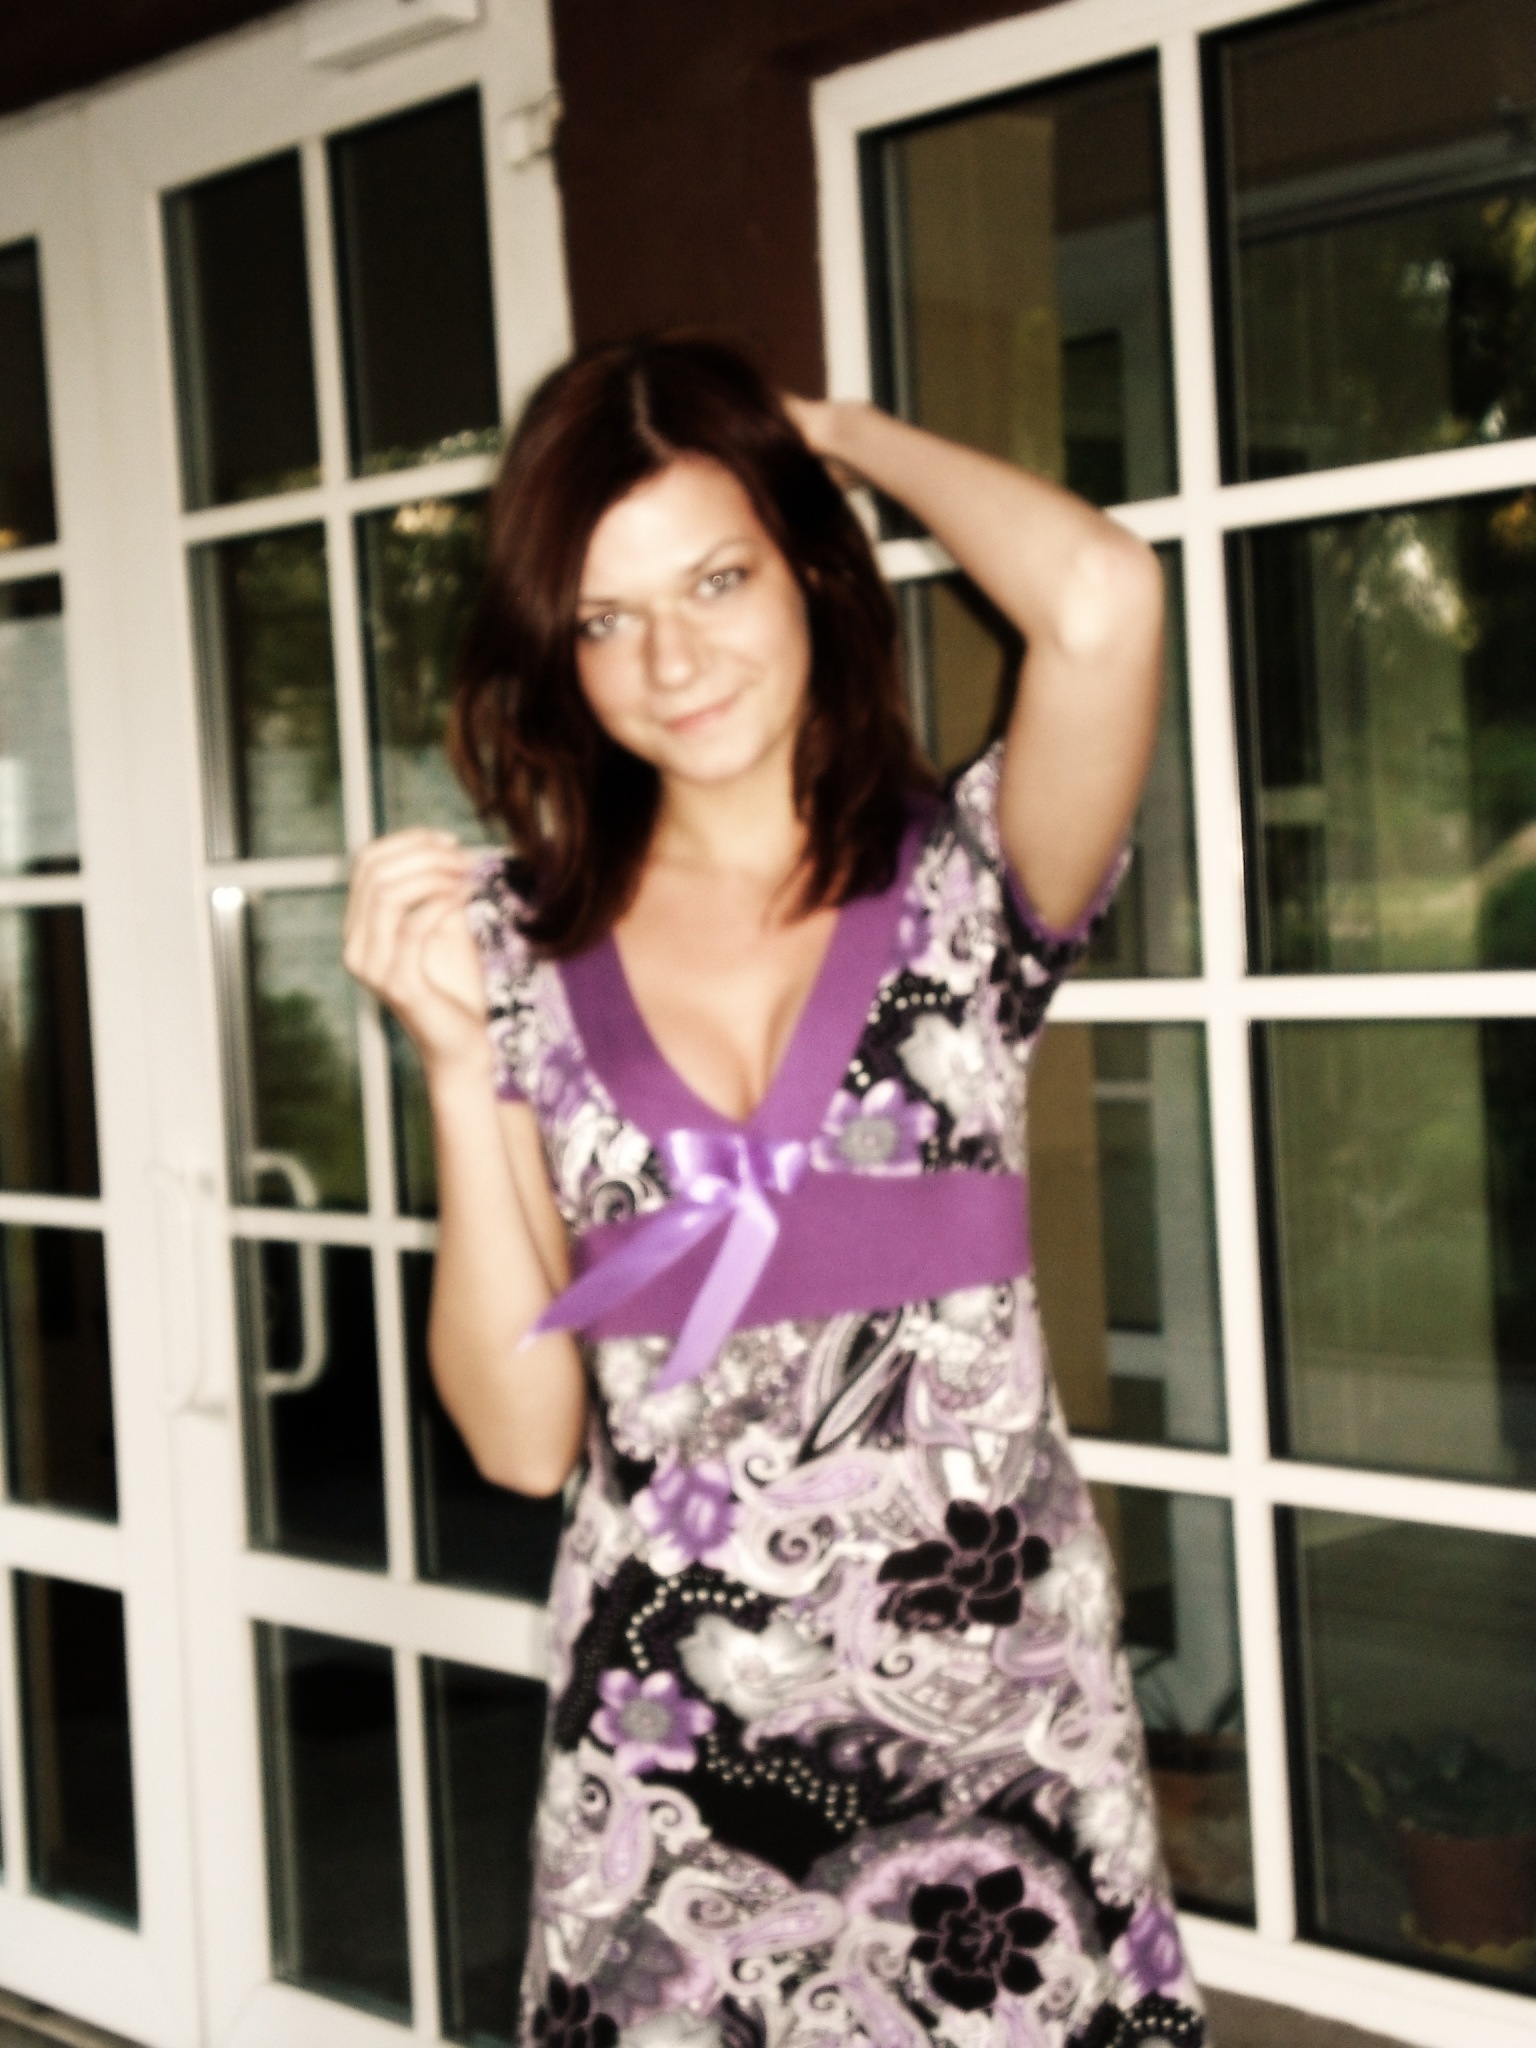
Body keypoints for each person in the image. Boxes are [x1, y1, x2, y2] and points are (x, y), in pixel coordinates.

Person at [343, 336, 1206, 2048]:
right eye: (605, 618)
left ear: (811, 564)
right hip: (670, 1787)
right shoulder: (519, 950)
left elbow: (1104, 596)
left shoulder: (971, 883)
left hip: (999, 1754)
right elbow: (518, 1441)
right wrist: (449, 1063)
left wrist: (827, 434)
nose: (671, 660)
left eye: (718, 578)